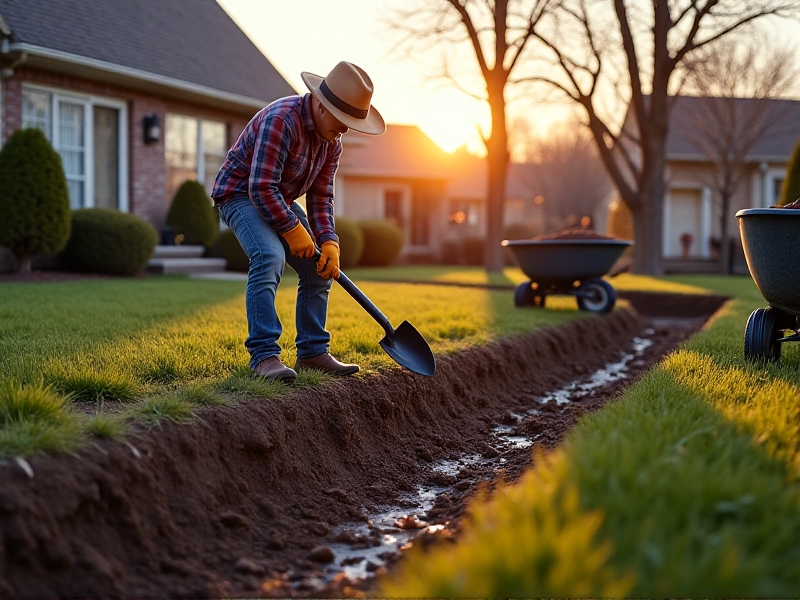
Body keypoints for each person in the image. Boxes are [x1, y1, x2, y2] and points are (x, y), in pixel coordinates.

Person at [212, 61, 385, 381]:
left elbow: (321, 195)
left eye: (351, 122)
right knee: (269, 255)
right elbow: (260, 186)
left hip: (278, 199)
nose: (345, 128)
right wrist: (292, 230)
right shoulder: (282, 120)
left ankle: (312, 352)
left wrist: (329, 240)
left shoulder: (332, 141)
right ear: (320, 105)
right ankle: (264, 357)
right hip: (238, 194)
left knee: (320, 268)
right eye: (342, 119)